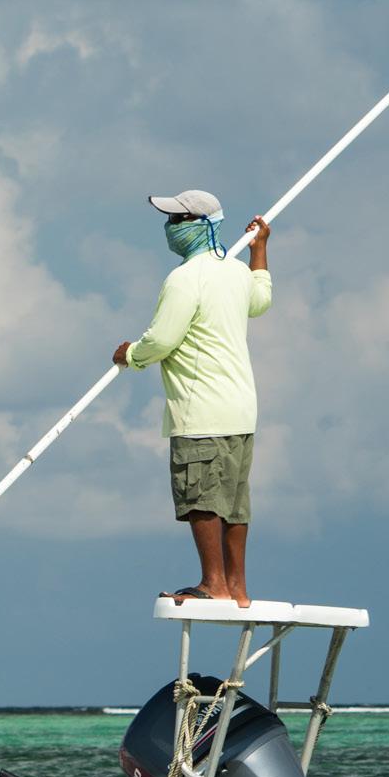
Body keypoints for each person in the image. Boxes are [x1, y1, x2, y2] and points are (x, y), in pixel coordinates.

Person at [113, 189, 272, 608]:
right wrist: (259, 250)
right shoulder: (235, 271)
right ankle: (236, 588)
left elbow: (162, 339)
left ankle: (213, 584)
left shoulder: (184, 279)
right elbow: (260, 300)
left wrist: (130, 355)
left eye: (178, 220)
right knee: (233, 502)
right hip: (240, 408)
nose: (170, 228)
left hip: (201, 409)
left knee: (201, 498)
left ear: (202, 225)